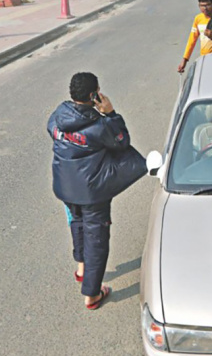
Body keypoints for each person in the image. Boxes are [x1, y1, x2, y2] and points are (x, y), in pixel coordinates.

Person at [47, 72, 147, 310]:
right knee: (96, 239)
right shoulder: (99, 126)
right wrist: (110, 113)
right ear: (94, 95)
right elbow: (122, 141)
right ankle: (92, 294)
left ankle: (81, 268)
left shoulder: (57, 116)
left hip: (64, 185)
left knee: (77, 224)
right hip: (92, 191)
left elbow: (53, 132)